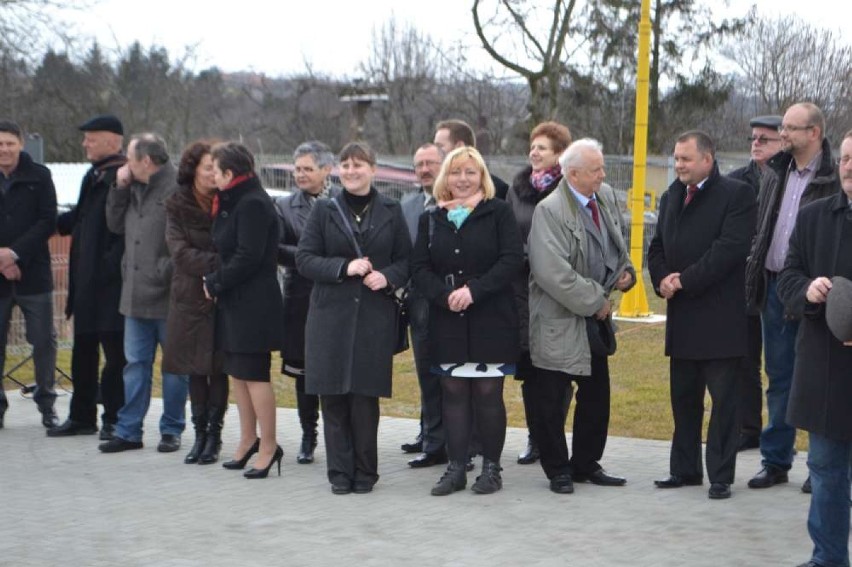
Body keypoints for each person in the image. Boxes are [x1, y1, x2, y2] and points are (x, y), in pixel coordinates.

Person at [297, 141, 411, 495]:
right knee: (332, 397)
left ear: (373, 170)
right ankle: (339, 473)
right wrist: (344, 267)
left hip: (373, 317)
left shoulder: (392, 210)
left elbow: (408, 260)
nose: (351, 171)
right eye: (345, 165)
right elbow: (305, 259)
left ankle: (366, 471)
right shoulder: (324, 211)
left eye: (358, 165)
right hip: (330, 316)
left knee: (364, 399)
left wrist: (388, 276)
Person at [648, 130, 756, 500]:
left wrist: (684, 281)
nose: (678, 165)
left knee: (724, 403)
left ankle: (721, 476)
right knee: (684, 400)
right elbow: (657, 245)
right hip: (683, 321)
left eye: (685, 159)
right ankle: (685, 470)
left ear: (707, 159)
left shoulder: (736, 195)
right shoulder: (671, 196)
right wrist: (661, 278)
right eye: (676, 158)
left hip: (720, 320)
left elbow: (729, 250)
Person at [410, 146, 523, 496]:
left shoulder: (499, 212)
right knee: (453, 392)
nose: (462, 179)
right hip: (448, 319)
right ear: (447, 176)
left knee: (488, 393)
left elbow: (511, 260)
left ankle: (491, 469)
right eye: (456, 172)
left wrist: (474, 290)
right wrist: (444, 297)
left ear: (482, 177)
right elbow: (419, 269)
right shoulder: (431, 218)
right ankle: (456, 467)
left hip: (491, 316)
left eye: (470, 172)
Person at [527, 138, 634, 495]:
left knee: (596, 396)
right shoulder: (550, 210)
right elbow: (551, 272)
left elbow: (618, 244)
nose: (603, 175)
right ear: (573, 174)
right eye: (596, 170)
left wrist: (628, 273)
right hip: (559, 321)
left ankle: (586, 464)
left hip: (593, 321)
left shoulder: (604, 199)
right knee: (551, 398)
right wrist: (596, 302)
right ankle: (558, 469)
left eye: (602, 168)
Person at [744, 102, 841, 492]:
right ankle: (776, 460)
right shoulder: (776, 171)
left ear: (814, 132)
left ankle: (822, 465)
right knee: (779, 377)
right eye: (782, 127)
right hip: (773, 289)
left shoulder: (833, 176)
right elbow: (763, 227)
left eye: (790, 128)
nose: (782, 135)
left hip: (816, 294)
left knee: (822, 377)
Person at [778, 129, 852, 567]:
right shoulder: (813, 216)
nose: (849, 167)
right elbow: (786, 277)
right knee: (825, 472)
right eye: (845, 159)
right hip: (825, 369)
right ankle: (827, 559)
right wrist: (808, 289)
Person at [99, 133, 188, 453]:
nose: (125, 164)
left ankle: (172, 428)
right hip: (133, 296)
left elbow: (186, 242)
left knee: (175, 367)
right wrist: (119, 187)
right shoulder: (132, 185)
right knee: (135, 365)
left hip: (167, 296)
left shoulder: (178, 187)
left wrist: (161, 271)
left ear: (146, 161)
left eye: (130, 159)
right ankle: (129, 430)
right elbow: (114, 224)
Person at [204, 141, 285, 479]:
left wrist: (216, 281)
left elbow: (249, 256)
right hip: (235, 301)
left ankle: (269, 445)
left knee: (254, 374)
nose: (209, 174)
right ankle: (248, 438)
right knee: (237, 372)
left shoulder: (252, 203)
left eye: (214, 169)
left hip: (254, 302)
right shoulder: (233, 199)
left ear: (229, 173)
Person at [49, 114, 127, 440]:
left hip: (110, 286)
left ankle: (114, 419)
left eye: (91, 139)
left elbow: (121, 232)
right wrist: (44, 219)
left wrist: (108, 269)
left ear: (113, 141)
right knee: (82, 352)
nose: (85, 144)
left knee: (115, 358)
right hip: (84, 284)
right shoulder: (91, 176)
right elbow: (78, 218)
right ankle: (82, 416)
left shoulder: (121, 177)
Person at [507, 120, 573, 466]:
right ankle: (535, 436)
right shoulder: (517, 189)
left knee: (557, 374)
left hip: (557, 292)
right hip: (521, 291)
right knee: (530, 371)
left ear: (560, 154)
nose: (534, 152)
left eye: (543, 147)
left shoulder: (568, 188)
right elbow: (506, 230)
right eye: (532, 146)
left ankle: (553, 437)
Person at [163, 140, 228, 465]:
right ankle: (199, 433)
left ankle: (215, 436)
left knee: (217, 369)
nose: (214, 174)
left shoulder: (229, 201)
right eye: (208, 168)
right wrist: (221, 263)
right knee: (194, 370)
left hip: (223, 296)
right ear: (193, 170)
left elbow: (240, 250)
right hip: (188, 296)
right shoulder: (176, 204)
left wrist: (224, 269)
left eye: (218, 168)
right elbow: (179, 252)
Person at [274, 140, 335, 465]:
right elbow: (277, 248)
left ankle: (338, 434)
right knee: (304, 374)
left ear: (326, 170)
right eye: (297, 169)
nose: (300, 174)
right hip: (300, 299)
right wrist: (314, 259)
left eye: (307, 169)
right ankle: (308, 434)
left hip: (338, 297)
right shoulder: (284, 206)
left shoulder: (341, 201)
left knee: (336, 369)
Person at [727, 114, 783, 452]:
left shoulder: (789, 179)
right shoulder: (736, 182)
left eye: (765, 138)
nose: (756, 143)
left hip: (779, 282)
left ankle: (781, 438)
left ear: (782, 142)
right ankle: (748, 428)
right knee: (745, 362)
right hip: (745, 283)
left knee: (780, 367)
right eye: (753, 138)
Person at [0, 120, 58, 429]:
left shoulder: (40, 176)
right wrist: (2, 258)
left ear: (21, 143)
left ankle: (47, 404)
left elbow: (47, 221)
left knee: (43, 342)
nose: (4, 149)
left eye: (9, 143)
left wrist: (14, 253)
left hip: (34, 274)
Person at [400, 142, 448, 468]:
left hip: (455, 301)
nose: (424, 169)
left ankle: (463, 443)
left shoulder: (459, 201)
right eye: (419, 164)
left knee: (457, 378)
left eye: (431, 162)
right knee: (427, 375)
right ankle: (432, 441)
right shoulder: (408, 204)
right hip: (419, 304)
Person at [434, 119, 509, 200]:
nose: (435, 151)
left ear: (459, 146)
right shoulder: (437, 185)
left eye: (440, 146)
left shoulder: (498, 191)